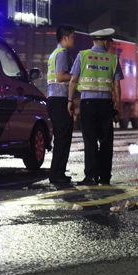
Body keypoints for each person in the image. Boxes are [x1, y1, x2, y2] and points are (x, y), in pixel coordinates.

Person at [68, 28, 124, 185]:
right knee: (106, 142)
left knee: (90, 140)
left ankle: (91, 176)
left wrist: (70, 101)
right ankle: (105, 176)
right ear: (106, 42)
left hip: (88, 104)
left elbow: (73, 80)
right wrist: (117, 107)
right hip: (106, 105)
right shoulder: (112, 59)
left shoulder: (83, 55)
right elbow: (117, 86)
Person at [47, 25, 76, 184]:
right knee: (63, 138)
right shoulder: (63, 53)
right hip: (60, 99)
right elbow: (60, 76)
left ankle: (57, 173)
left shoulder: (54, 53)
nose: (74, 40)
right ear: (65, 38)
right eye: (73, 37)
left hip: (54, 98)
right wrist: (76, 76)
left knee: (61, 138)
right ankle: (57, 174)